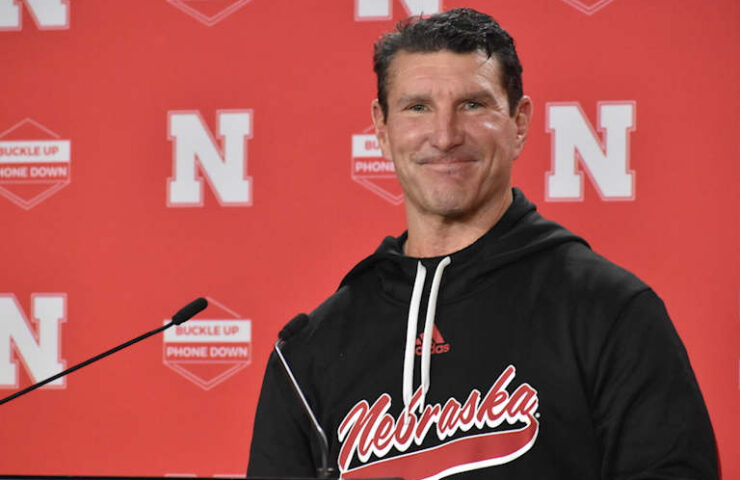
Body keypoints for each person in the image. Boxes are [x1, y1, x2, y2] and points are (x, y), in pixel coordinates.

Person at [248, 8, 718, 480]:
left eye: (472, 104)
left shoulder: (610, 312)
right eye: (417, 107)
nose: (445, 136)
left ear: (519, 122)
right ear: (382, 130)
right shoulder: (311, 349)